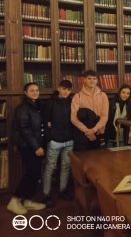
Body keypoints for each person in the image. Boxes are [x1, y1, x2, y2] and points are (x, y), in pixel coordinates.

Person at [7, 83, 46, 214]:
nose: (35, 92)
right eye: (32, 90)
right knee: (30, 173)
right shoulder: (23, 108)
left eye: (37, 90)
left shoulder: (36, 106)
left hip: (36, 144)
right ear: (25, 93)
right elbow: (25, 130)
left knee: (35, 173)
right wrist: (36, 147)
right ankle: (14, 201)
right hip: (27, 145)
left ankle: (28, 200)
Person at [42, 80, 74, 208]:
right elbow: (45, 121)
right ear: (58, 88)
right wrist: (50, 138)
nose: (66, 92)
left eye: (68, 90)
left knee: (66, 166)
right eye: (64, 89)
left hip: (69, 141)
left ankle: (62, 190)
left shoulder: (72, 102)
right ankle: (46, 195)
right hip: (55, 141)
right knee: (50, 167)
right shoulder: (51, 103)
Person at [71, 70, 109, 151]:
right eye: (89, 78)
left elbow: (104, 116)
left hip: (99, 132)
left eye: (94, 79)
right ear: (84, 80)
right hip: (82, 135)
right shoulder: (77, 96)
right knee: (82, 162)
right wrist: (88, 132)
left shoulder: (103, 96)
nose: (92, 81)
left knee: (99, 161)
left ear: (97, 80)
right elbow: (73, 118)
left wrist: (94, 129)